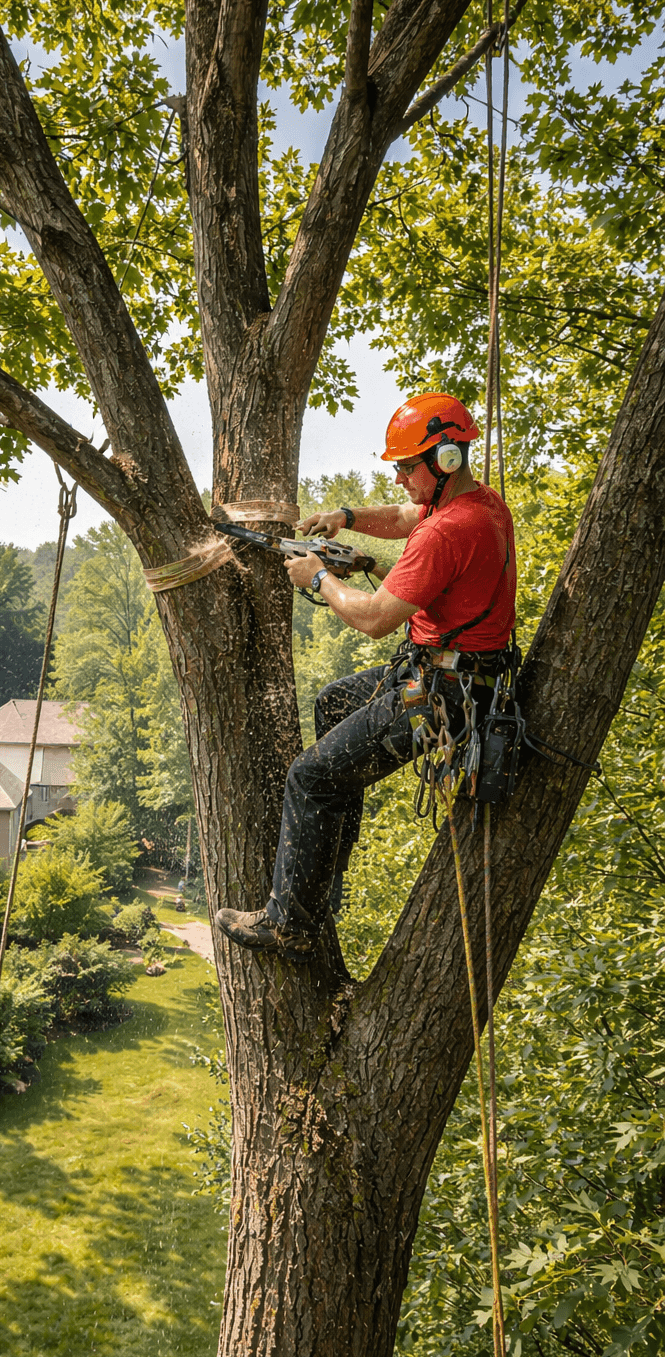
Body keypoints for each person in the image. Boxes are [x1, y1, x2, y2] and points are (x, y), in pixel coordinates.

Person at [216, 392, 517, 962]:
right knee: (334, 703)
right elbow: (407, 519)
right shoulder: (479, 504)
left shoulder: (447, 531)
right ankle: (320, 886)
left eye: (407, 467)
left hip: (442, 693)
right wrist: (349, 522)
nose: (401, 479)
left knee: (310, 776)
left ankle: (291, 924)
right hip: (458, 675)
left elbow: (376, 618)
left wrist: (318, 579)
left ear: (445, 459)